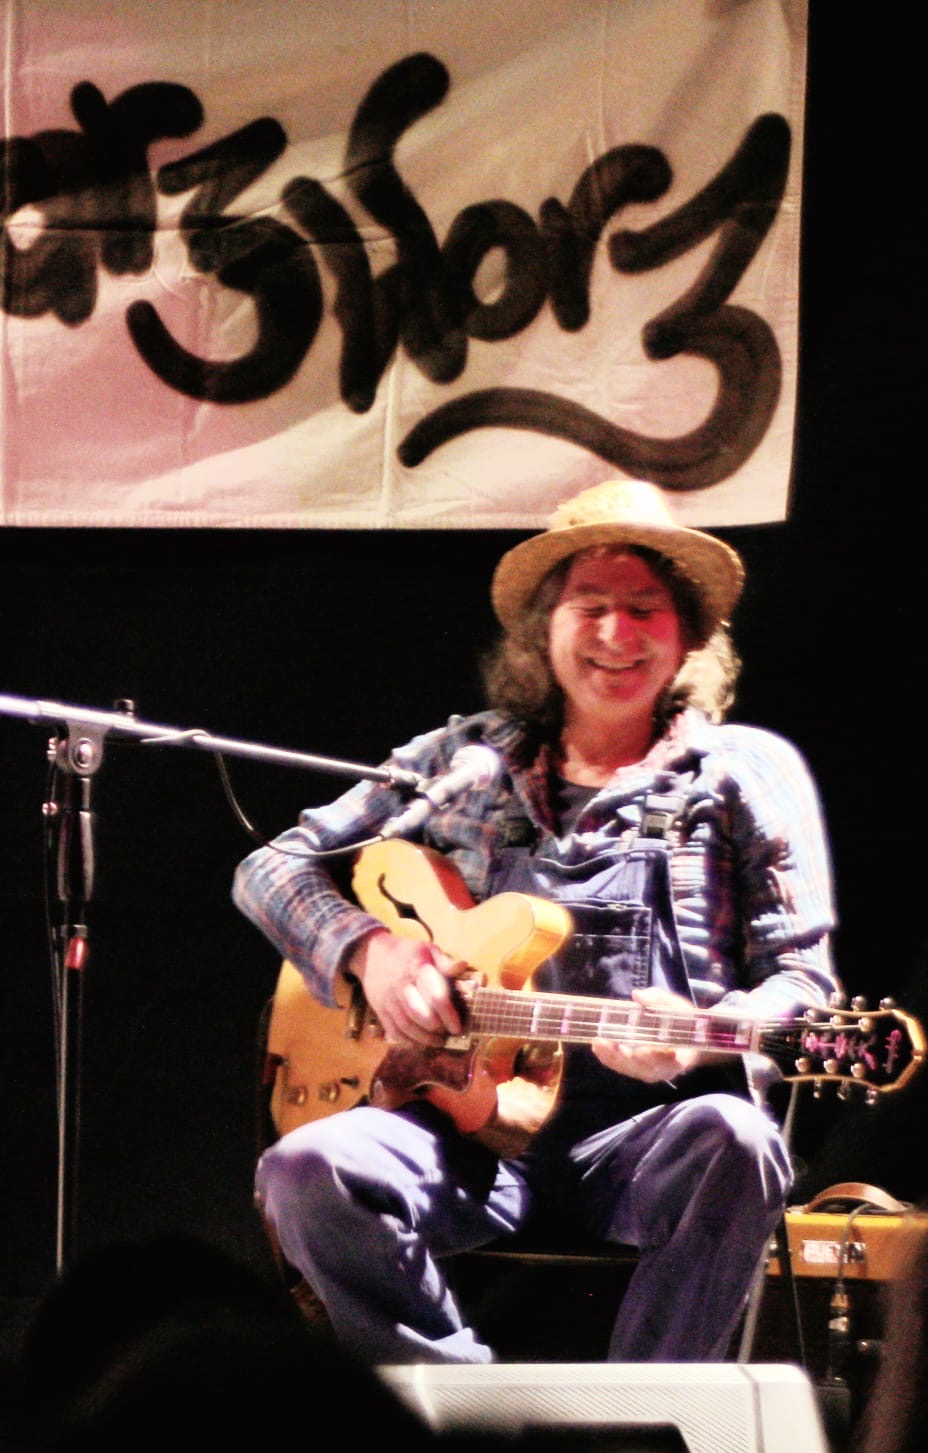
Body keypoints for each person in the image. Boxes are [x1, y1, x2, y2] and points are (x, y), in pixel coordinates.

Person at [236, 479, 836, 1364]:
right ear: (544, 630)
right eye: (590, 605)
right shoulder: (463, 760)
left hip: (652, 1139)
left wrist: (702, 1039)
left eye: (645, 607)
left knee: (740, 1142)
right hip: (466, 1136)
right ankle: (453, 1418)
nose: (616, 633)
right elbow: (271, 868)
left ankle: (640, 1425)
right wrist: (371, 952)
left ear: (688, 635)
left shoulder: (742, 773)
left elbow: (804, 986)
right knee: (305, 1170)